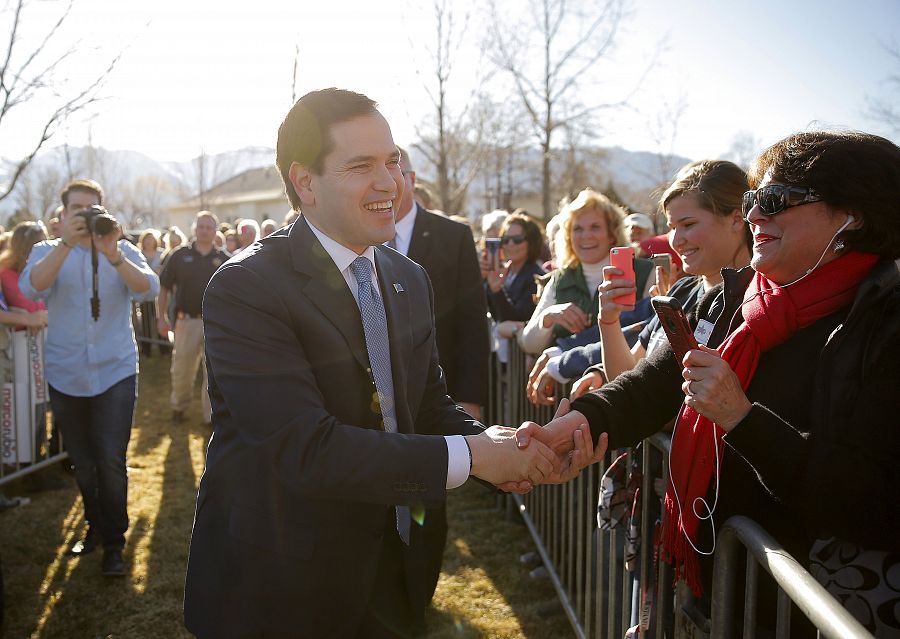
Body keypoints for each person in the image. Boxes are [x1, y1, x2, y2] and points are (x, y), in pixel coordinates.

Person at [183, 88, 600, 639]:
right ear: (305, 182)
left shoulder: (407, 278)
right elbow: (303, 447)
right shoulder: (247, 287)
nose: (390, 183)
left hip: (398, 564)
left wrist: (503, 447)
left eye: (392, 161)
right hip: (284, 582)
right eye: (361, 166)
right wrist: (474, 454)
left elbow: (425, 402)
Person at [520, 131, 900, 636]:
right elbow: (651, 385)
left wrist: (741, 419)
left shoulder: (886, 324)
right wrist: (570, 426)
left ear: (851, 216)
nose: (754, 217)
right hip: (717, 587)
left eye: (773, 201)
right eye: (750, 201)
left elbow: (874, 495)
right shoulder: (738, 298)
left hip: (812, 607)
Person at [21, 178, 160, 577]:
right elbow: (32, 289)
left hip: (116, 370)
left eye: (91, 209)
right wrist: (66, 244)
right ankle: (96, 526)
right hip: (66, 373)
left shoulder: (122, 249)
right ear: (63, 213)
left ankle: (115, 542)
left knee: (111, 461)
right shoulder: (46, 251)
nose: (83, 216)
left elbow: (148, 290)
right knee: (82, 464)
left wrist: (112, 254)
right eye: (76, 209)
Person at [383, 146, 492, 606]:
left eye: (396, 171)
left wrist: (468, 397)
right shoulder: (356, 234)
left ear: (411, 177)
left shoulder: (451, 235)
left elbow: (471, 319)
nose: (389, 183)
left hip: (433, 396)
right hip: (373, 398)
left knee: (428, 495)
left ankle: (417, 597)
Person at [570, 160, 752, 397]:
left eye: (688, 224)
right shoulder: (680, 292)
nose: (676, 241)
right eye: (672, 227)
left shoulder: (757, 302)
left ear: (737, 219)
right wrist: (608, 321)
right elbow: (628, 377)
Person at [519, 188, 654, 356]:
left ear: (612, 234)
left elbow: (651, 334)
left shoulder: (645, 272)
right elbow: (529, 344)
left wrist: (565, 351)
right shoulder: (560, 279)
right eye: (577, 229)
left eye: (595, 227)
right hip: (566, 381)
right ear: (568, 236)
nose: (586, 235)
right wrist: (548, 317)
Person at [157, 211, 228, 424]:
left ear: (215, 231)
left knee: (213, 373)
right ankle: (179, 407)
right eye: (201, 226)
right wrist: (161, 317)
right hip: (186, 321)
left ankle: (211, 417)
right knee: (182, 368)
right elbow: (164, 289)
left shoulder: (225, 259)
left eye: (209, 227)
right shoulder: (179, 256)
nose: (204, 231)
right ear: (194, 229)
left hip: (215, 325)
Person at [482, 211, 546, 324]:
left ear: (531, 242)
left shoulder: (537, 278)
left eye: (517, 239)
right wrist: (483, 279)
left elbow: (519, 318)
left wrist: (497, 291)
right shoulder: (502, 272)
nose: (510, 244)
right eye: (506, 239)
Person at [0, 221, 49, 313]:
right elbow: (31, 308)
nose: (48, 250)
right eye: (43, 245)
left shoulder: (48, 270)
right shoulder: (7, 275)